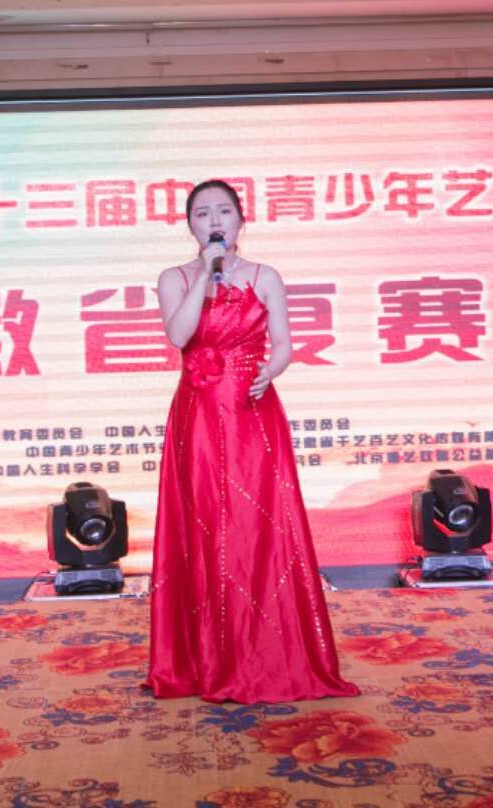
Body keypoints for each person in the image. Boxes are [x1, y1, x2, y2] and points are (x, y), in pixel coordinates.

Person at [144, 180, 360, 702]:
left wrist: (270, 370)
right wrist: (206, 273)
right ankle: (205, 660)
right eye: (202, 214)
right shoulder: (174, 278)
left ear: (241, 221)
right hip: (197, 416)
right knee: (205, 524)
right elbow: (178, 335)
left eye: (223, 211)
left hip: (252, 411)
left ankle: (266, 655)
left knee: (257, 525)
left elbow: (283, 344)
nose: (214, 221)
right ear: (190, 225)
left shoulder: (266, 277)